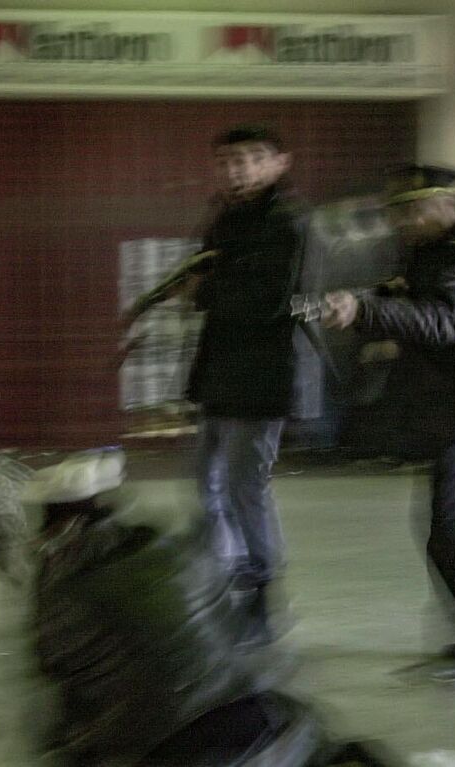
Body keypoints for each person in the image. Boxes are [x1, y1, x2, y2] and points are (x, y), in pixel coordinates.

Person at [26, 449, 400, 767]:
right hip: (278, 728)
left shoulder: (65, 597)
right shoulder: (179, 551)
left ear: (53, 529)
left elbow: (62, 726)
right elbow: (242, 646)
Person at [319, 165, 455, 681]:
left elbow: (441, 320)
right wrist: (372, 298)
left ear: (449, 204)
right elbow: (414, 294)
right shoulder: (437, 248)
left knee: (450, 530)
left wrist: (366, 313)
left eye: (411, 210)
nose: (402, 222)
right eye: (396, 213)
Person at [183, 125, 321, 646]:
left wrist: (206, 287)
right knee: (207, 483)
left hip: (265, 371)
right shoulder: (226, 218)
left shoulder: (290, 221)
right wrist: (206, 286)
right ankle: (227, 581)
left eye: (251, 158)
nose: (237, 169)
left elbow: (269, 298)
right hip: (221, 369)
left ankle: (263, 598)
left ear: (279, 163)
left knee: (245, 486)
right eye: (227, 160)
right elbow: (211, 284)